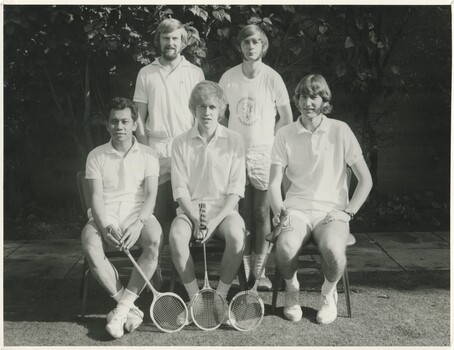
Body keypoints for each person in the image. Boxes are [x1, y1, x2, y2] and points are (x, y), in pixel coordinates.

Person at [268, 74, 373, 324]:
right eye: (303, 96)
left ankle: (328, 293)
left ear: (324, 100)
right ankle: (292, 291)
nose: (307, 102)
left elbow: (365, 180)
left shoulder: (340, 130)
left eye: (313, 96)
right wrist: (278, 210)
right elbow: (273, 183)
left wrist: (348, 212)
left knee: (333, 251)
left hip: (331, 212)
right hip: (296, 210)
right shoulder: (284, 133)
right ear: (296, 100)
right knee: (284, 248)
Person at [219, 24, 293, 289]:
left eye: (256, 42)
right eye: (247, 42)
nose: (251, 46)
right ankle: (244, 270)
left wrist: (270, 143)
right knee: (242, 213)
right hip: (235, 154)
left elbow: (286, 118)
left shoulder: (273, 78)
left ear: (264, 46)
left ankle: (259, 274)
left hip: (263, 154)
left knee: (262, 213)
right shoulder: (228, 77)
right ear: (240, 46)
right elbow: (219, 114)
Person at [81, 97, 162, 338]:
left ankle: (122, 309)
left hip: (137, 214)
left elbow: (150, 196)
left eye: (125, 121)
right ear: (107, 125)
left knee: (155, 241)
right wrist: (105, 226)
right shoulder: (95, 155)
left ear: (135, 124)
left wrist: (139, 224)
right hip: (105, 215)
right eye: (114, 122)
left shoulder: (149, 155)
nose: (119, 127)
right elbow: (95, 197)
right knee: (90, 243)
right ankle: (128, 307)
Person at [169, 80, 246, 321]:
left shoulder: (235, 140)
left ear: (221, 110)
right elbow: (179, 189)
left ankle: (220, 298)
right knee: (176, 236)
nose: (207, 112)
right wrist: (196, 218)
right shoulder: (180, 142)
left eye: (212, 107)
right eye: (201, 106)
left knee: (237, 236)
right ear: (194, 109)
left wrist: (213, 222)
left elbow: (236, 190)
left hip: (225, 211)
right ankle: (196, 301)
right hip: (190, 210)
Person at [133, 18, 205, 232]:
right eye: (166, 38)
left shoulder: (195, 73)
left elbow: (201, 115)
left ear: (183, 42)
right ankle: (156, 265)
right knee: (155, 214)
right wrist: (145, 151)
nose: (170, 43)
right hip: (155, 150)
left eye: (175, 38)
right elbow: (138, 116)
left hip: (187, 150)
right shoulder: (146, 73)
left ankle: (181, 265)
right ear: (159, 41)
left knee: (185, 215)